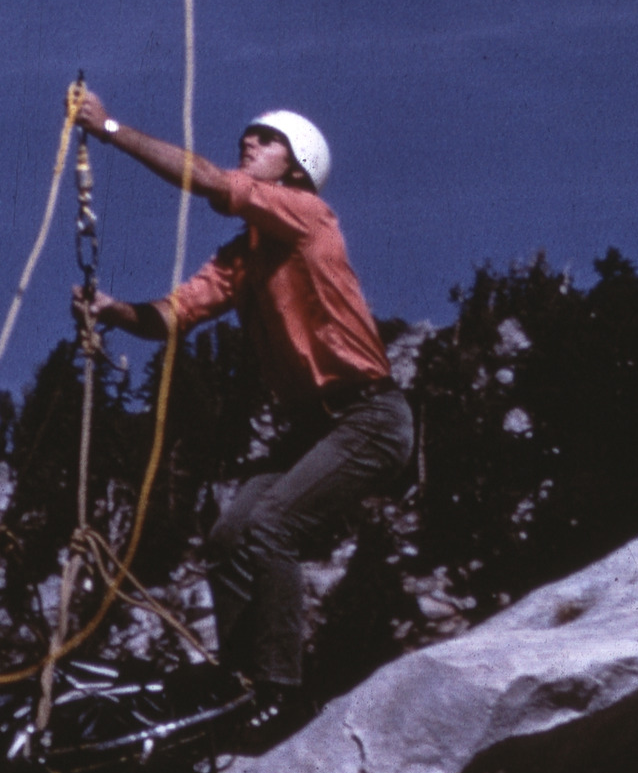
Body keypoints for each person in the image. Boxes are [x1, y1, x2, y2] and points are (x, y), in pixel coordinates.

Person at [70, 86, 412, 735]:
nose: (248, 141)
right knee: (231, 535)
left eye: (266, 138)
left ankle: (280, 690)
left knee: (272, 524)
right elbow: (174, 315)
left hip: (368, 416)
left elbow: (210, 181)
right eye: (248, 135)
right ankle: (238, 679)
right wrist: (115, 310)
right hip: (319, 426)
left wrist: (109, 126)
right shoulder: (246, 255)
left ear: (295, 166)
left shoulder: (308, 212)